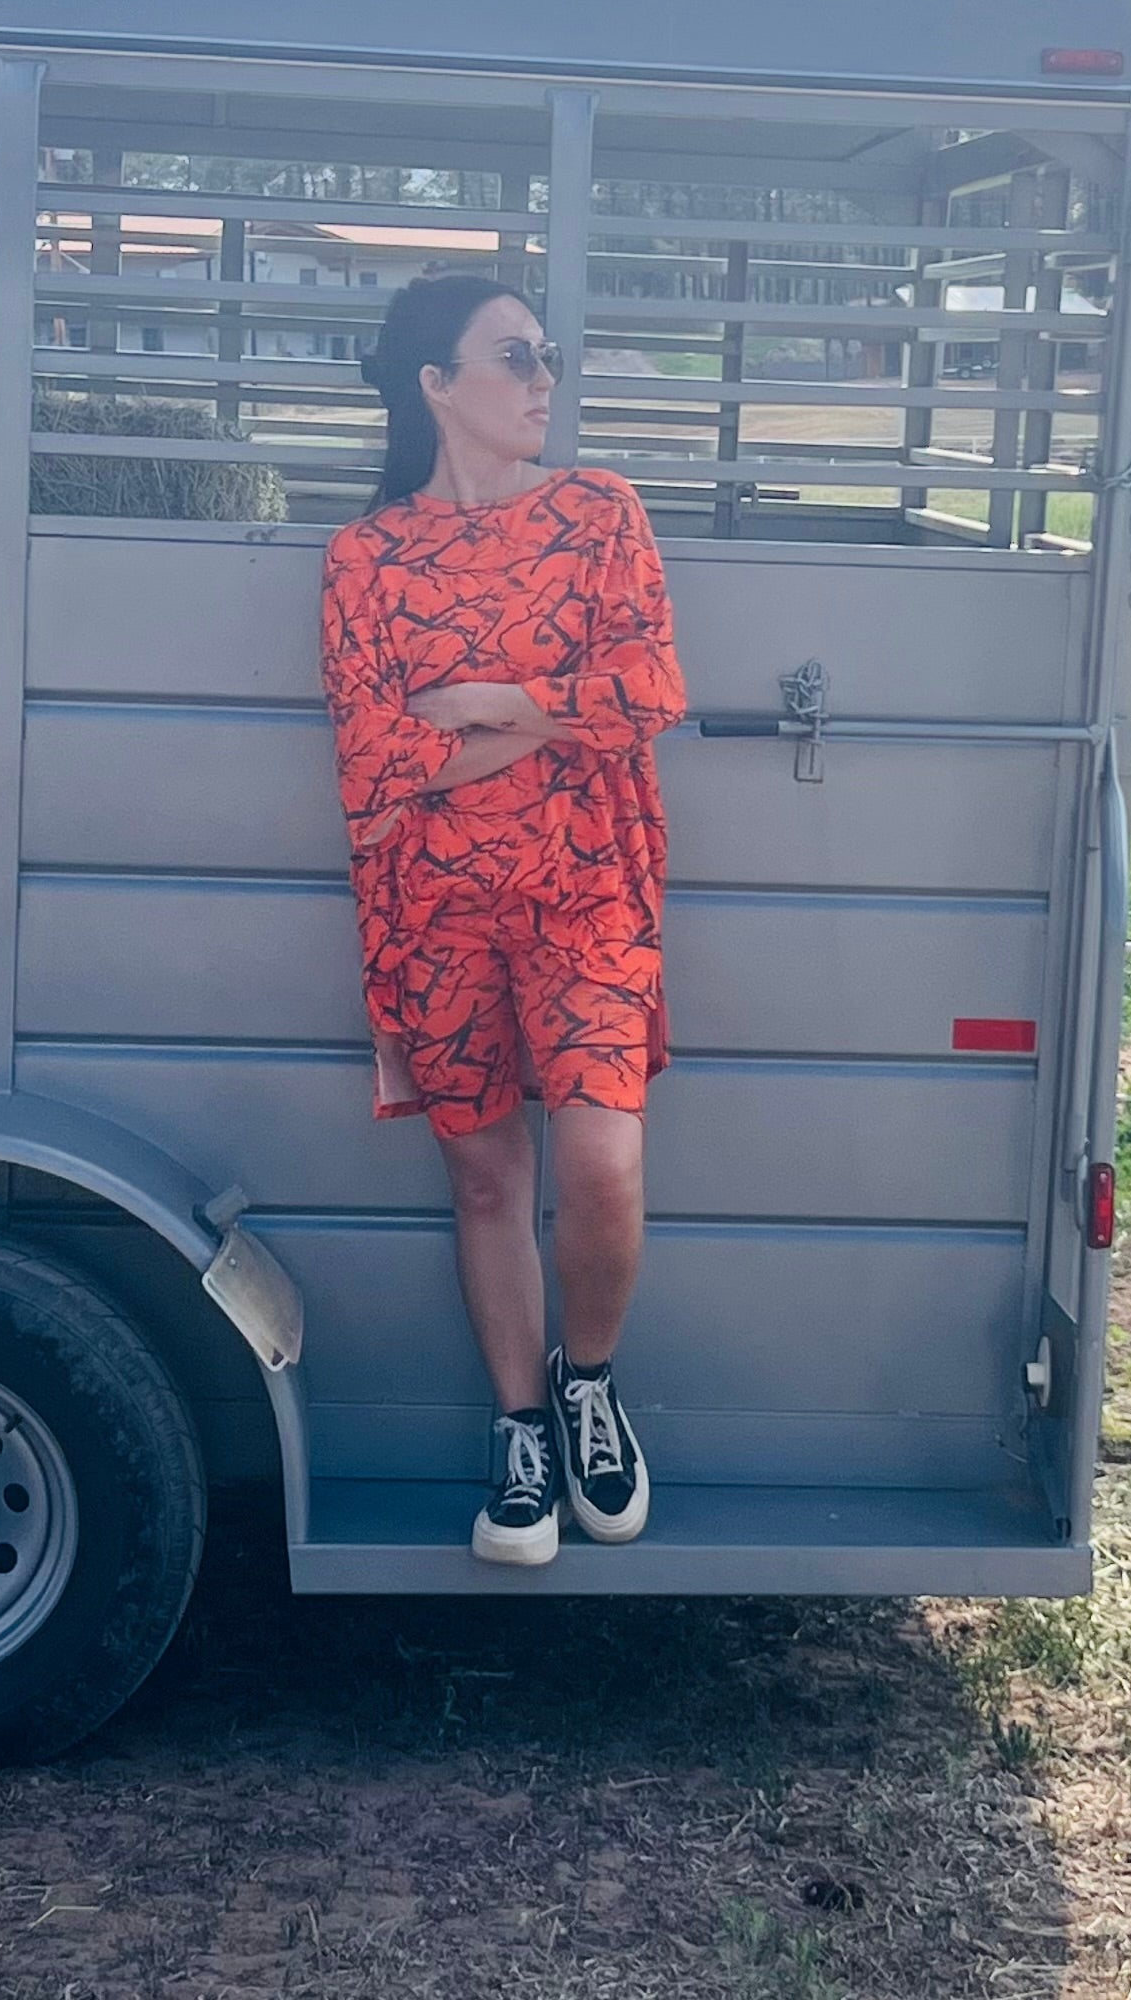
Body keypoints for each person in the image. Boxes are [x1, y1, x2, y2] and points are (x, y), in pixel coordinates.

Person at [319, 271, 685, 1568]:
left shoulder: (600, 514)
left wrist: (484, 703)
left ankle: (589, 1382)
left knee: (600, 1166)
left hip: (589, 891)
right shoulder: (365, 559)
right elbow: (375, 762)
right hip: (434, 910)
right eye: (515, 356)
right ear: (435, 385)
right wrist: (554, 715)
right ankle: (521, 1428)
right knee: (485, 1180)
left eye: (549, 356)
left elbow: (650, 687)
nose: (543, 380)